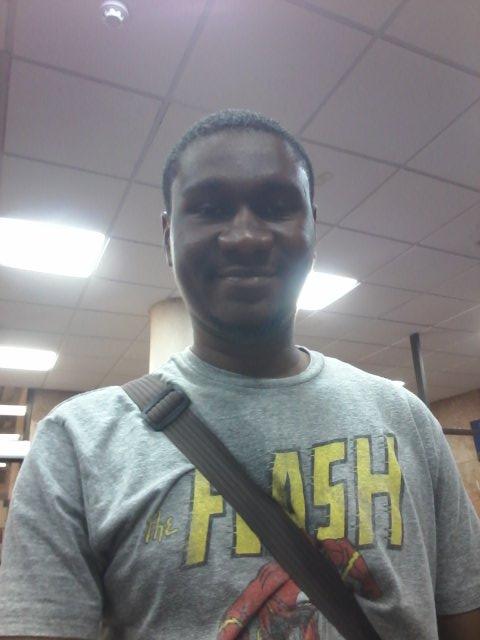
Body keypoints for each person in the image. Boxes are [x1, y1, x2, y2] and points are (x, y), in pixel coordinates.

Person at [0, 109, 479, 640]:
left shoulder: (406, 420)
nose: (246, 236)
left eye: (276, 207)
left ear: (312, 228)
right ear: (168, 235)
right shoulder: (77, 444)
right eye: (210, 209)